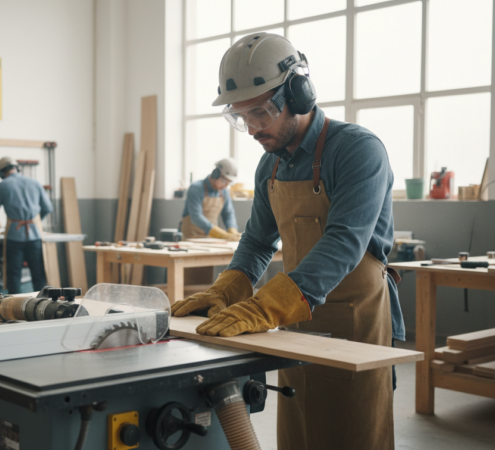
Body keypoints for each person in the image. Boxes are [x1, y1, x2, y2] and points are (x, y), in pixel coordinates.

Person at [170, 33, 405, 450]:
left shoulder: (357, 151)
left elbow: (344, 243)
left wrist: (266, 306)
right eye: (241, 118)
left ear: (299, 94)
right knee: (299, 432)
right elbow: (259, 241)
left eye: (261, 112)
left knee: (351, 433)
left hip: (353, 318)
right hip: (296, 317)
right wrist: (230, 286)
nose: (253, 129)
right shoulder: (269, 165)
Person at [0, 157, 53, 294]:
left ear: (1, 172)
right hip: (35, 235)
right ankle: (42, 308)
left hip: (14, 236)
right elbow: (47, 207)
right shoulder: (34, 183)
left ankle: (14, 310)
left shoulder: (2, 186)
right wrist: (35, 222)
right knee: (38, 274)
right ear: (17, 168)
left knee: (14, 275)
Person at [180, 158, 241, 242]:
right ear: (215, 174)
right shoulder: (196, 188)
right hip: (191, 237)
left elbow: (228, 214)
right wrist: (220, 234)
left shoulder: (224, 192)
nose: (225, 186)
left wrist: (232, 229)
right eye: (224, 181)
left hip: (211, 238)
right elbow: (196, 216)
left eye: (228, 183)